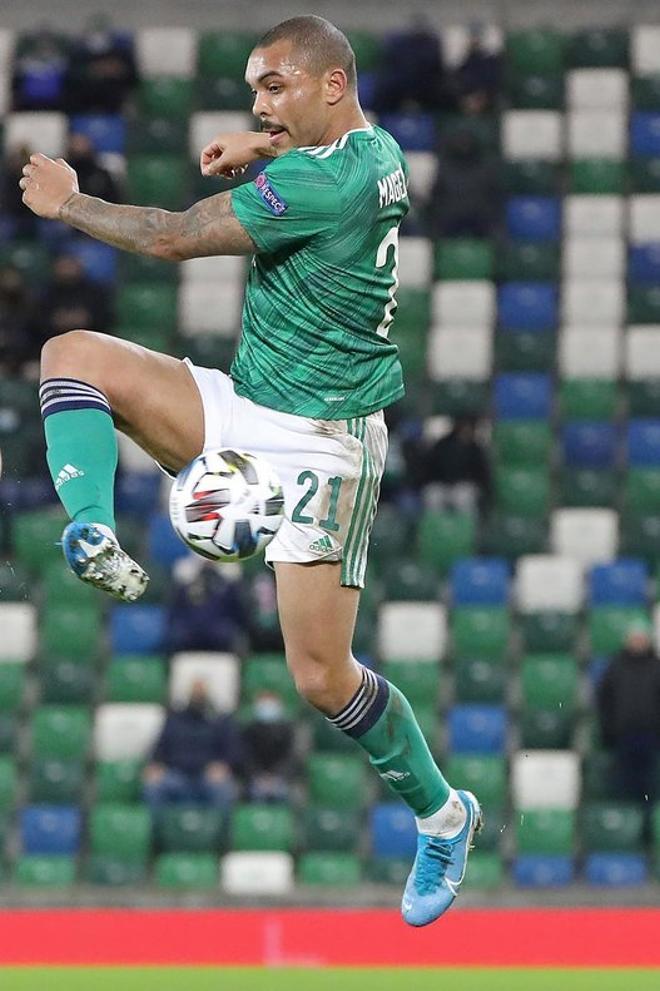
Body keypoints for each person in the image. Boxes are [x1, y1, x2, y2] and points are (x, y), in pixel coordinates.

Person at [19, 15, 481, 927]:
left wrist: (68, 201)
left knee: (319, 678)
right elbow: (318, 149)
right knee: (72, 352)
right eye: (256, 88)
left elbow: (172, 235)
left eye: (275, 87)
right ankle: (93, 525)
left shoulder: (321, 179)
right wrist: (265, 141)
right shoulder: (373, 146)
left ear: (330, 85)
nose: (258, 102)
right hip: (250, 402)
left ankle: (444, 813)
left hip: (327, 445)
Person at [142, 678, 242, 814]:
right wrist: (154, 765)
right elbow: (160, 746)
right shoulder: (174, 719)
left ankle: (220, 833)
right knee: (153, 786)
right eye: (195, 691)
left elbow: (232, 751)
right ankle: (157, 832)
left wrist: (223, 766)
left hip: (208, 776)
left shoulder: (220, 720)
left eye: (201, 691)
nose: (198, 695)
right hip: (176, 774)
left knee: (223, 789)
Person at [596, 622, 660, 810]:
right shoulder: (615, 667)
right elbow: (604, 701)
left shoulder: (657, 667)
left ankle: (646, 827)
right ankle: (626, 824)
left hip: (651, 735)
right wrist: (608, 729)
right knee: (624, 782)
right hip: (623, 734)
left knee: (649, 783)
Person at [424, 416, 492, 515]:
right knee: (433, 496)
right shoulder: (442, 445)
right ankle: (437, 529)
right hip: (443, 485)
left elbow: (482, 474)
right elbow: (431, 469)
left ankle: (467, 529)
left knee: (463, 498)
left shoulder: (475, 449)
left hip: (466, 486)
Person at [242, 689, 297, 802]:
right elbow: (246, 757)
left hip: (280, 777)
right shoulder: (249, 730)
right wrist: (258, 776)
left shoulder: (287, 730)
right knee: (256, 794)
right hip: (256, 778)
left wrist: (275, 776)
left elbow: (290, 757)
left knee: (283, 793)